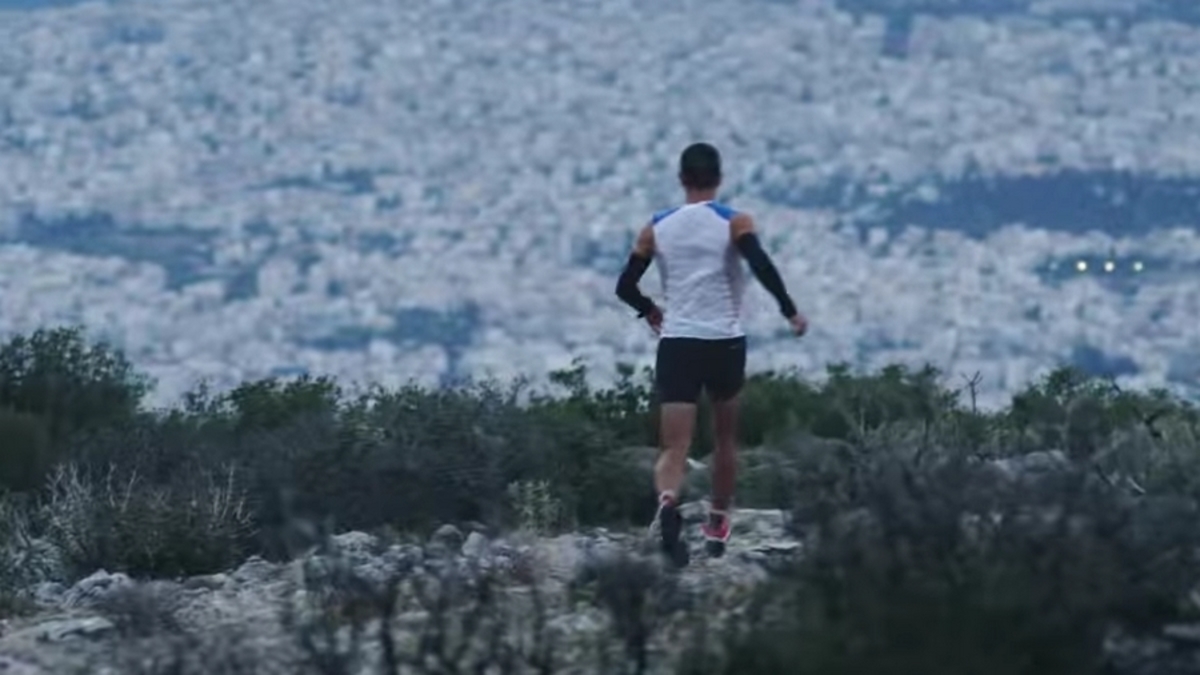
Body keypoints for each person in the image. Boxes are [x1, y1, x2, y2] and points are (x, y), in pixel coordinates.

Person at [615, 142, 807, 567]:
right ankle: (718, 523)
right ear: (718, 179)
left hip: (678, 342)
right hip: (724, 342)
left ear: (682, 180)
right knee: (723, 439)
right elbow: (760, 264)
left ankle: (668, 501)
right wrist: (789, 310)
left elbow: (624, 285)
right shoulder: (734, 222)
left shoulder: (657, 227)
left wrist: (649, 311)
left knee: (674, 446)